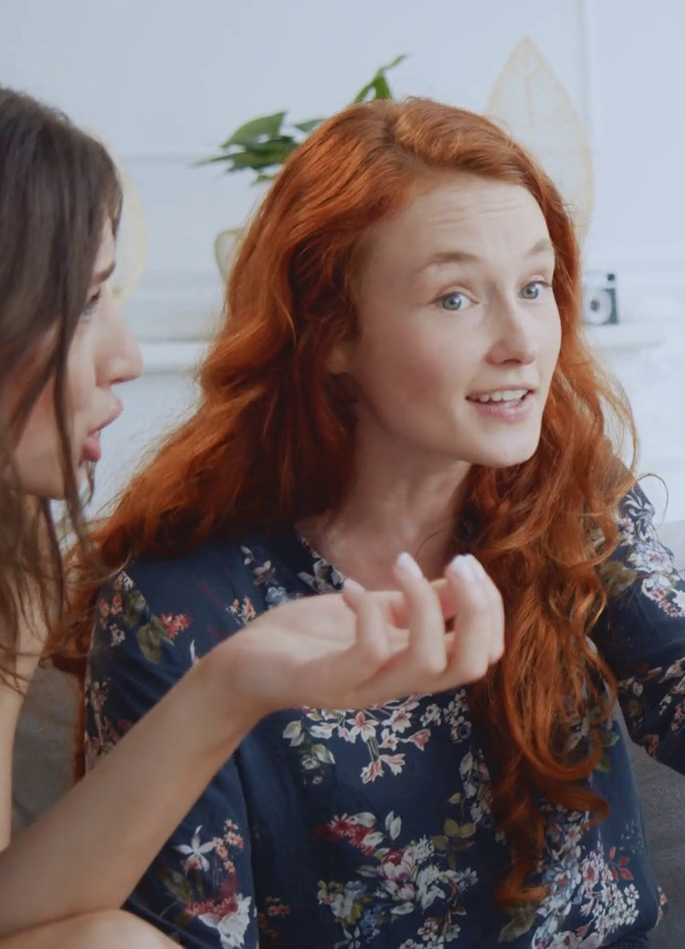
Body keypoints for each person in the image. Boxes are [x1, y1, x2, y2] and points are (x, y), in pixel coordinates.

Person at [73, 97, 685, 947]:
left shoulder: (571, 501)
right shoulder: (178, 608)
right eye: (455, 298)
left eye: (534, 287)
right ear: (330, 333)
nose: (522, 340)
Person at [0, 87, 508, 948]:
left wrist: (229, 688)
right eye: (84, 304)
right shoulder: (166, 593)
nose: (128, 357)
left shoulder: (14, 564)